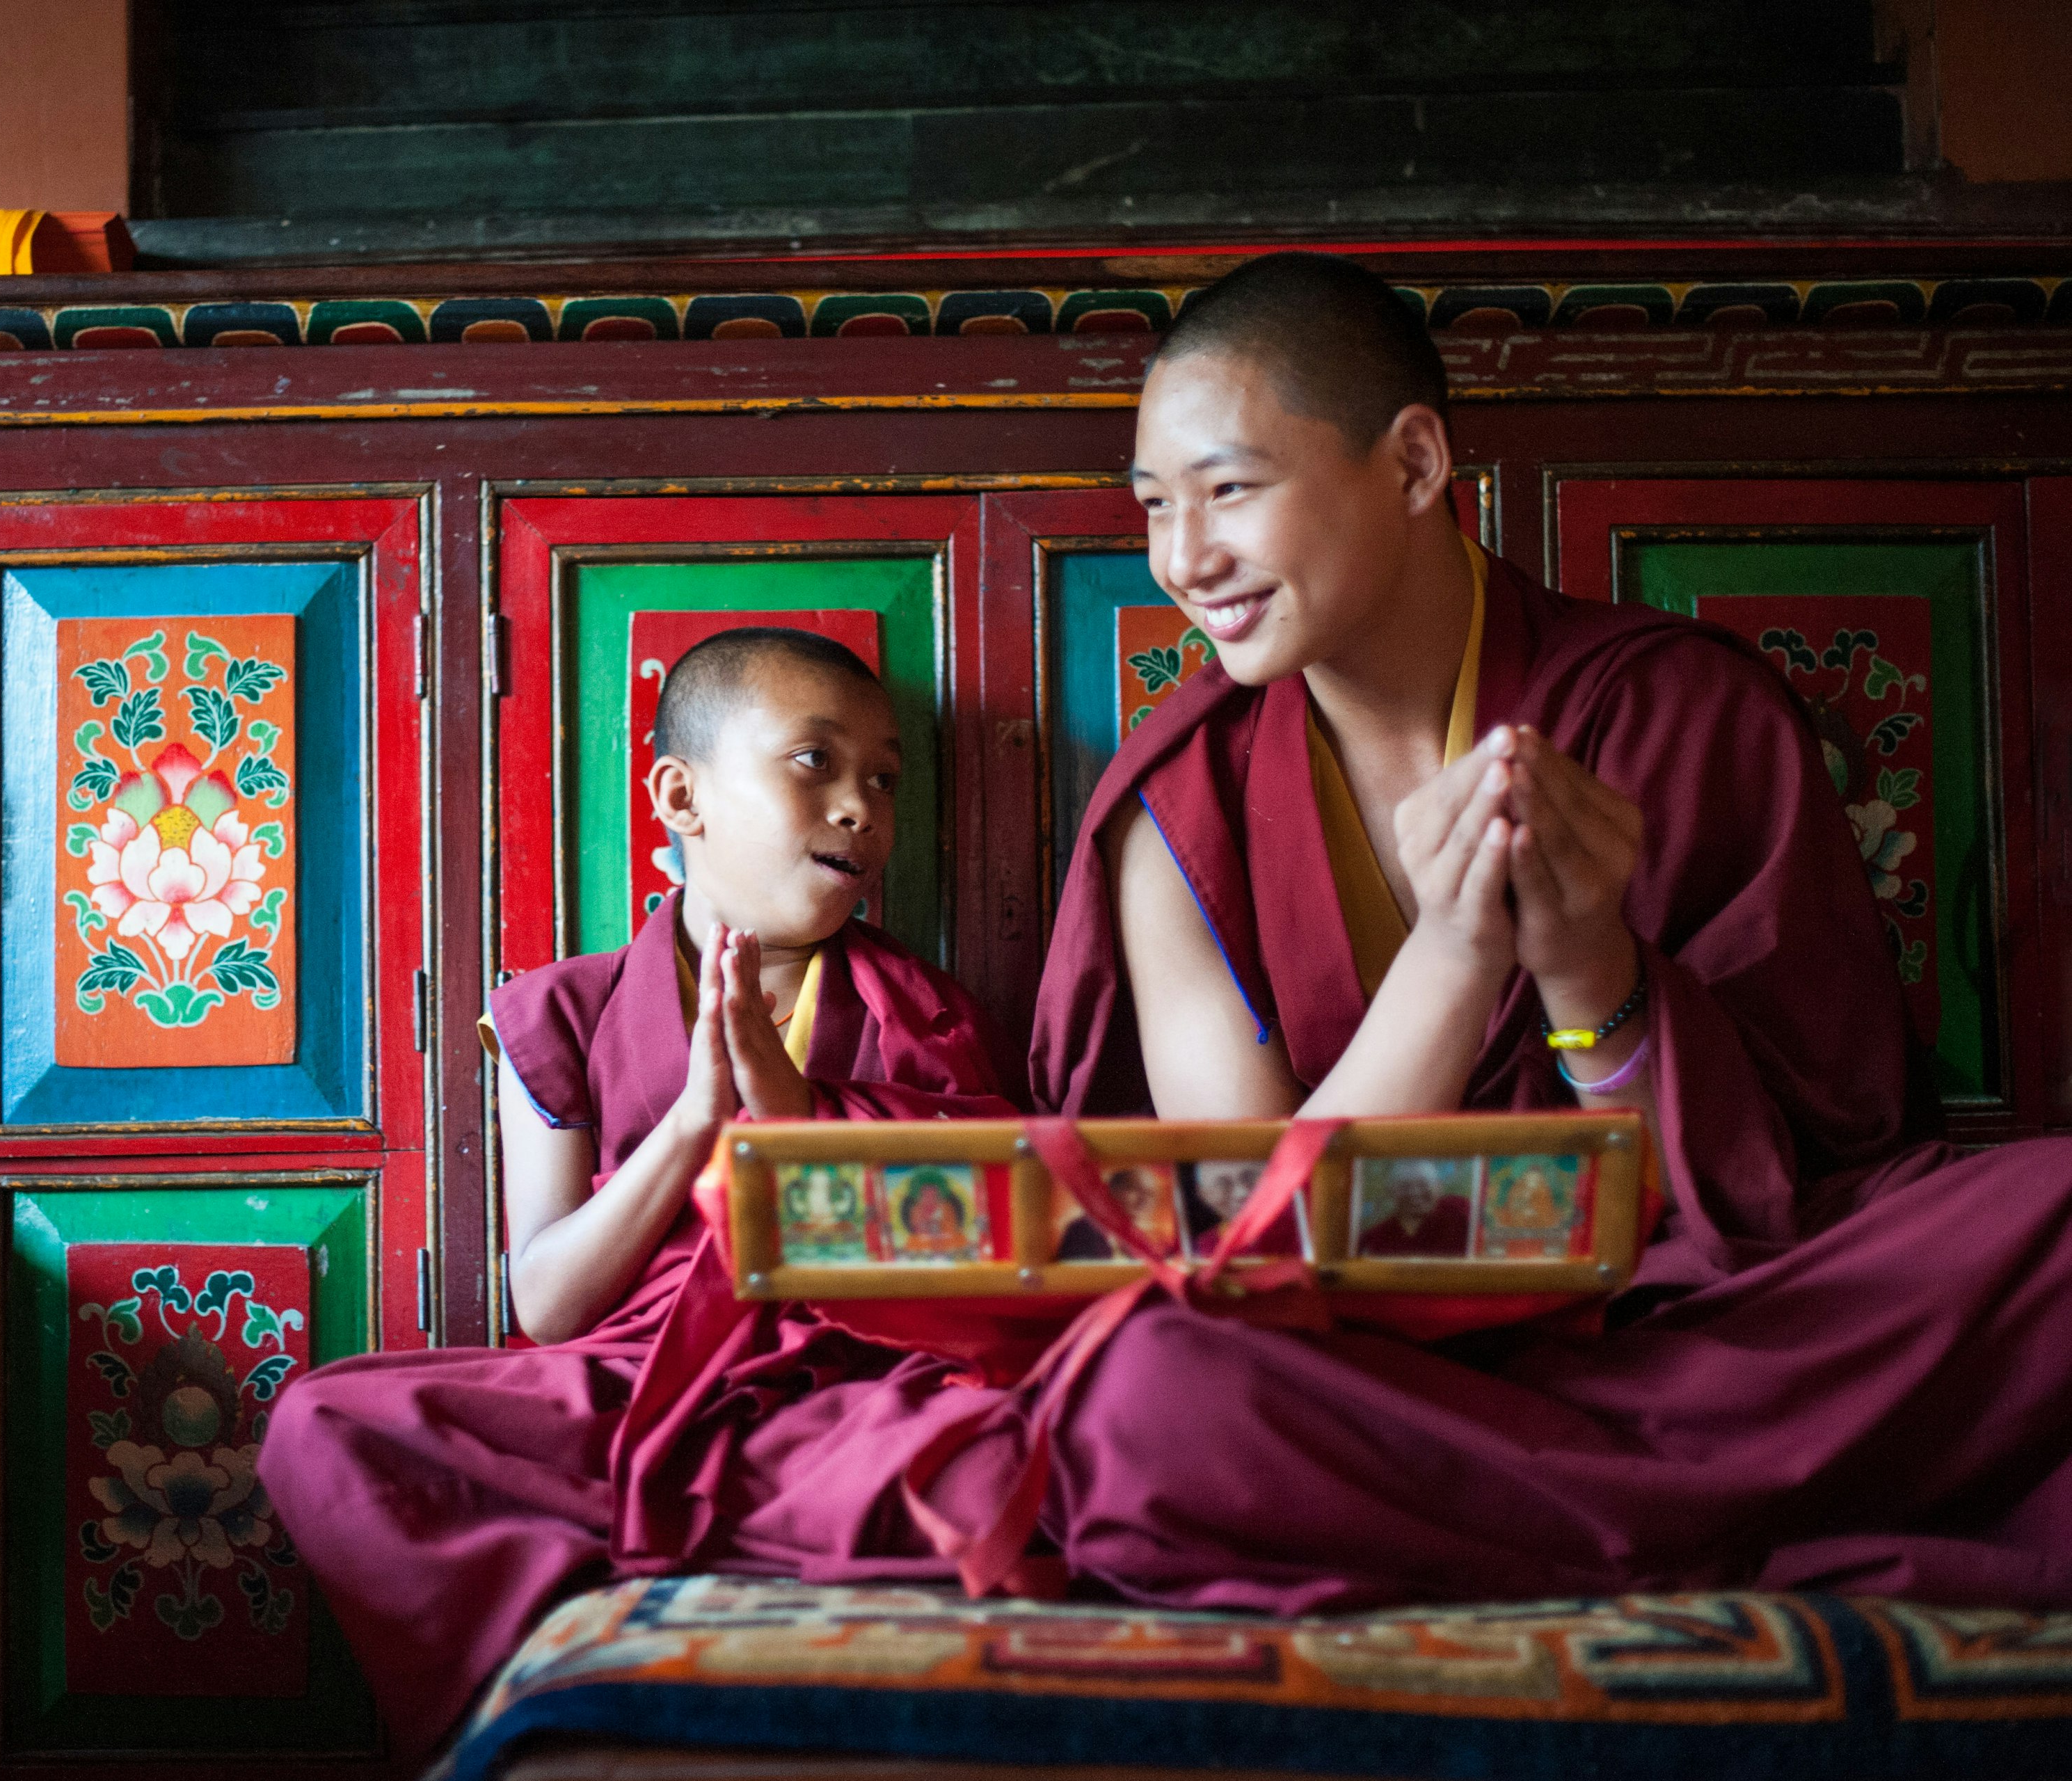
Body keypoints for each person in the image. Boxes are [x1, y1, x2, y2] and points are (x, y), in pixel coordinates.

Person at [1002, 250, 2072, 1613]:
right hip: (1386, 1363)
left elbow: (1796, 1180)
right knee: (1143, 1397)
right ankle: (1764, 1532)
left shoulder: (1674, 711)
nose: (1184, 558)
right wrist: (1460, 958)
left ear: (1412, 463)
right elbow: (1250, 1231)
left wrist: (1592, 971)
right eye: (1155, 506)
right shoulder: (1180, 806)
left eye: (1230, 490)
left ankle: (1544, 1536)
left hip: (1709, 1329)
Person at [258, 628, 1021, 1757]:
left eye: (886, 779)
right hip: (620, 1399)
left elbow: (970, 1277)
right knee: (321, 1425)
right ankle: (573, 1686)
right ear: (680, 793)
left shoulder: (931, 1015)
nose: (862, 806)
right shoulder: (563, 1014)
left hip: (845, 1396)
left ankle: (660, 1565)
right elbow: (551, 1305)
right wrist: (694, 1126)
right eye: (816, 762)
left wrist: (799, 1124)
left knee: (1035, 1434)